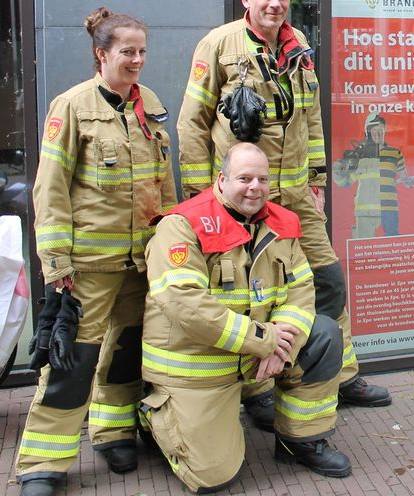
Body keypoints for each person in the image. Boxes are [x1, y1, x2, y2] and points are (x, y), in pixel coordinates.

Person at [176, 0, 391, 431]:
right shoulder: (218, 45)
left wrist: (316, 181)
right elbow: (191, 122)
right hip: (244, 202)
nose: (275, 4)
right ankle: (257, 389)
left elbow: (311, 121)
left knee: (329, 281)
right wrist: (202, 197)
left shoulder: (299, 50)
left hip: (295, 197)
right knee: (249, 294)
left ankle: (340, 373)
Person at [16, 8, 177, 496]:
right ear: (101, 53)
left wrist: (173, 243)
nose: (136, 60)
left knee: (125, 354)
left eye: (142, 51)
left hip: (140, 260)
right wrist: (56, 264)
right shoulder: (71, 107)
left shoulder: (149, 102)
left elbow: (163, 182)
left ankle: (112, 433)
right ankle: (42, 463)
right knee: (72, 362)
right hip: (87, 266)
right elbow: (51, 190)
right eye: (127, 51)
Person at [140, 143, 351, 492]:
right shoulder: (182, 225)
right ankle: (154, 417)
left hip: (256, 356)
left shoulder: (283, 223)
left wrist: (282, 343)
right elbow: (185, 304)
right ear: (221, 179)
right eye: (244, 178)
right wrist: (264, 341)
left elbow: (302, 290)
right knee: (213, 476)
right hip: (199, 367)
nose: (255, 187)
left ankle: (299, 441)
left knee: (325, 334)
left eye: (263, 179)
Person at [331, 113, 411, 238]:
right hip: (365, 214)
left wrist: (410, 181)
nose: (378, 134)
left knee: (391, 248)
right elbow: (345, 183)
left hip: (389, 211)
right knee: (364, 250)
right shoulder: (359, 156)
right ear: (368, 132)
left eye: (381, 130)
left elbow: (405, 179)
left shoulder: (395, 153)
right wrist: (338, 171)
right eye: (374, 130)